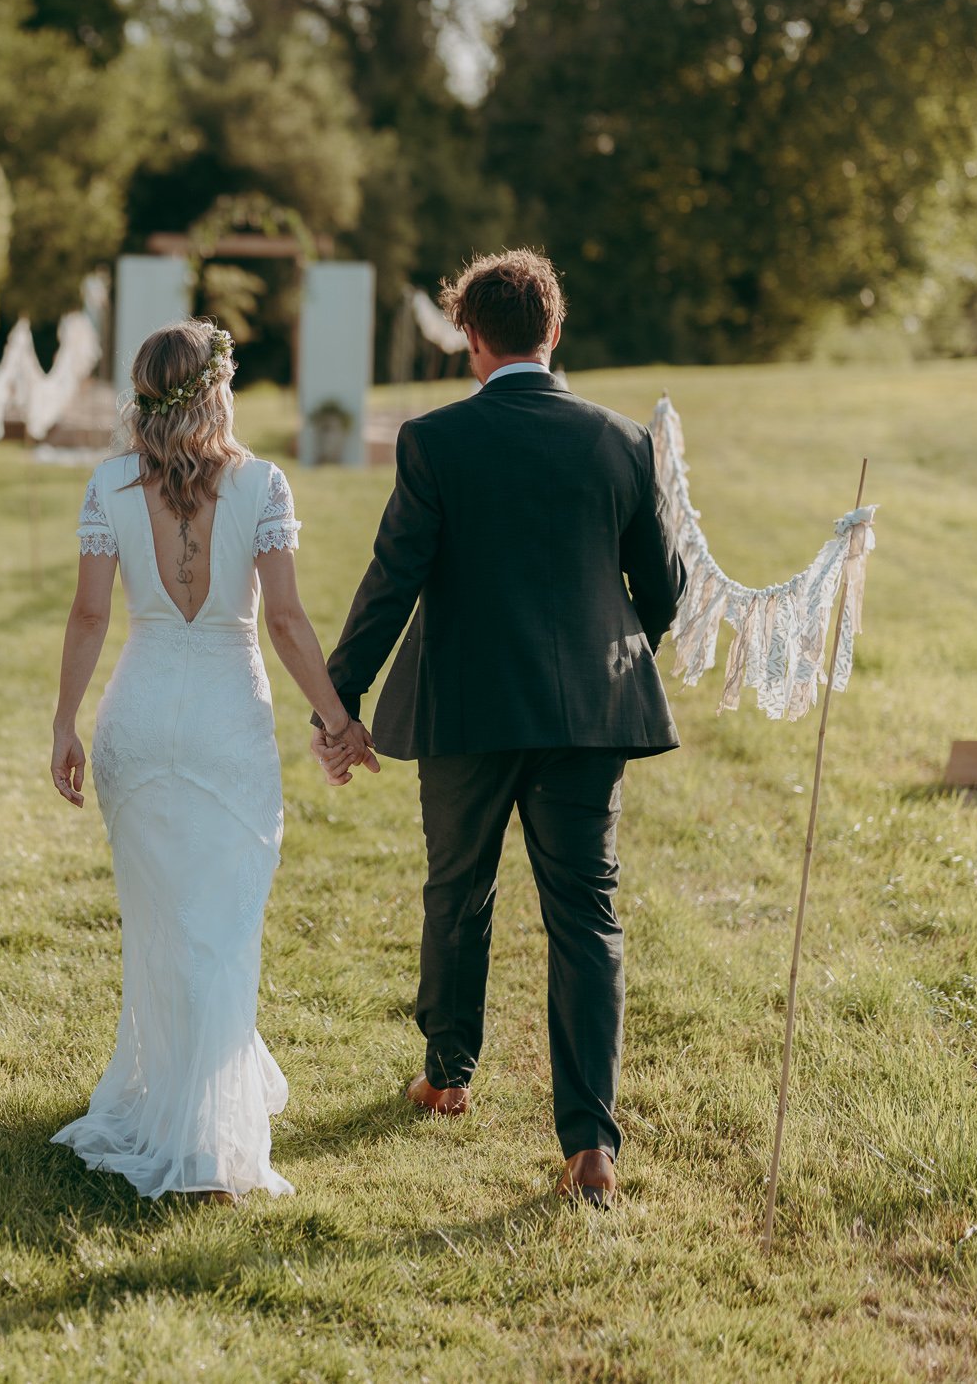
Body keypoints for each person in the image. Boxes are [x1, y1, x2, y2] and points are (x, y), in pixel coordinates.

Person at [311, 249, 685, 1207]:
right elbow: (665, 590)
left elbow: (391, 578)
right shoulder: (619, 442)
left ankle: (447, 1074)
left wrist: (339, 697)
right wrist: (603, 644)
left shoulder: (435, 441)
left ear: (471, 340)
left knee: (458, 889)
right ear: (553, 332)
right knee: (585, 914)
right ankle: (590, 1145)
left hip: (467, 710)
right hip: (585, 718)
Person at [46, 319, 368, 1204]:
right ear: (218, 388)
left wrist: (65, 723)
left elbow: (87, 617)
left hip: (137, 724)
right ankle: (205, 1143)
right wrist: (341, 721)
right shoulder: (261, 483)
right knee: (219, 930)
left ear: (142, 395)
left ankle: (180, 1110)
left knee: (162, 929)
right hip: (228, 724)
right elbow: (287, 622)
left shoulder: (109, 485)